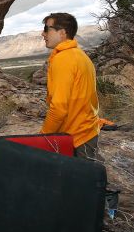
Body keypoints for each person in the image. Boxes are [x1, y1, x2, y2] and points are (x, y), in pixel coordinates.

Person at [40, 12, 101, 160]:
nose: (43, 33)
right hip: (84, 132)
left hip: (78, 137)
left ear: (62, 33)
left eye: (47, 28)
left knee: (82, 180)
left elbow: (59, 107)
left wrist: (42, 137)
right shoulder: (79, 55)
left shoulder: (64, 59)